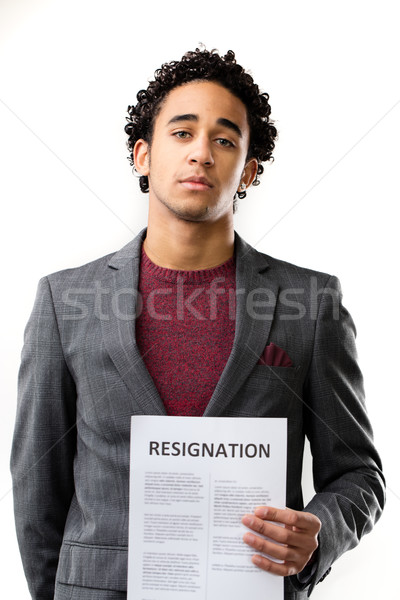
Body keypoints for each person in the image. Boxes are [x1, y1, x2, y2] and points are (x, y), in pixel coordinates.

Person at [11, 48, 385, 600]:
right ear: (142, 155)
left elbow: (358, 475)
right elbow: (36, 484)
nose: (202, 154)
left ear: (248, 172)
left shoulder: (312, 302)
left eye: (226, 139)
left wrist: (320, 533)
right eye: (182, 133)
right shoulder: (66, 301)